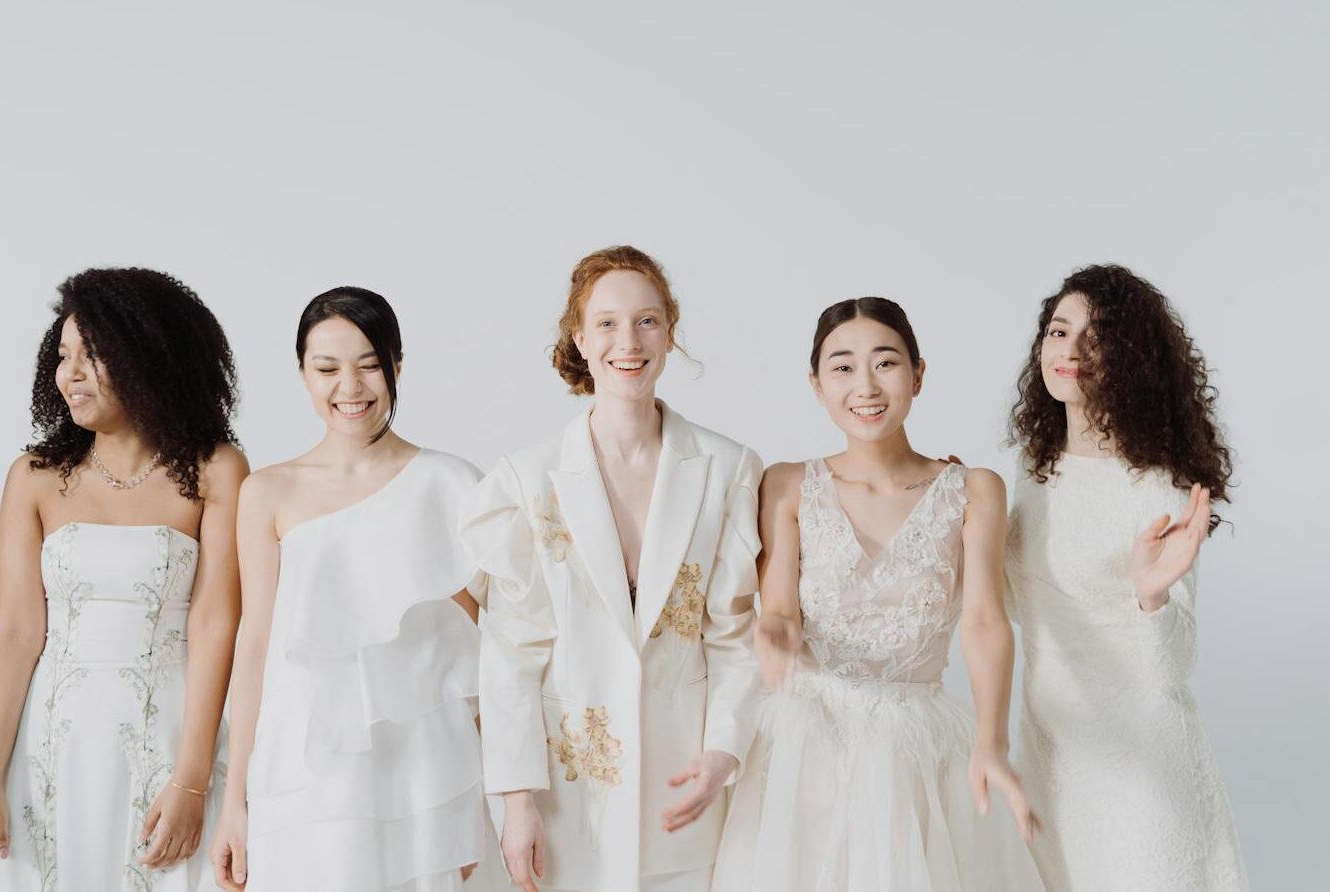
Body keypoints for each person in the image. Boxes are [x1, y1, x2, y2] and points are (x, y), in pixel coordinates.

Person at [712, 298, 1043, 890]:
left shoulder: (974, 490)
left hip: (917, 752)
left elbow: (986, 621)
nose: (864, 385)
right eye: (842, 367)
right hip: (806, 748)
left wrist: (993, 740)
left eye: (885, 363)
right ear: (816, 385)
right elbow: (780, 609)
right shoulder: (787, 484)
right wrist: (775, 633)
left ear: (918, 374)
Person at [461, 246, 762, 892]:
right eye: (607, 323)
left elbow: (734, 636)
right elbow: (511, 651)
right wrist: (515, 802)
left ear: (670, 332)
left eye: (647, 321)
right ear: (579, 337)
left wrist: (722, 754)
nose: (629, 341)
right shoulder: (524, 480)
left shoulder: (727, 468)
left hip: (684, 790)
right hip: (566, 797)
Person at [0, 267, 247, 892]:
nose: (70, 374)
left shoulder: (216, 470)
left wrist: (193, 780)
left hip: (174, 737)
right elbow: (15, 631)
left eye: (92, 356)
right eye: (63, 356)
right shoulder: (34, 476)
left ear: (151, 357)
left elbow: (215, 623)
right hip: (51, 744)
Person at [211, 286, 499, 891]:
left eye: (369, 365)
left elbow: (485, 657)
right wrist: (234, 799)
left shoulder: (451, 485)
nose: (351, 386)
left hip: (421, 771)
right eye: (328, 369)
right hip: (303, 765)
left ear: (395, 365)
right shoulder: (267, 491)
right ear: (303, 374)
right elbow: (256, 643)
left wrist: (472, 797)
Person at [1005, 265, 1248, 891]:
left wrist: (1151, 595)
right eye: (1060, 331)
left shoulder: (1158, 484)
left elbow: (1171, 668)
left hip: (1140, 765)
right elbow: (1014, 605)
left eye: (1099, 336)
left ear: (1133, 358)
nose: (1072, 351)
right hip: (1052, 752)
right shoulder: (1027, 472)